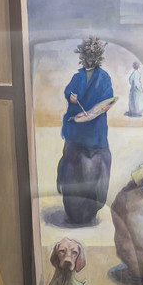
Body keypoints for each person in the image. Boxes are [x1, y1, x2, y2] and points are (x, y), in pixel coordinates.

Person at [56, 37, 116, 225]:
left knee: (97, 169)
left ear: (97, 56)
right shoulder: (78, 76)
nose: (90, 58)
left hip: (95, 131)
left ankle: (90, 210)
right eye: (87, 55)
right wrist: (71, 96)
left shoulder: (104, 77)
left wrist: (92, 113)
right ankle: (73, 210)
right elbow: (68, 91)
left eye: (93, 55)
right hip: (76, 128)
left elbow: (106, 100)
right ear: (83, 56)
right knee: (71, 166)